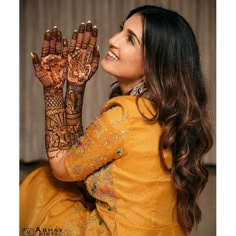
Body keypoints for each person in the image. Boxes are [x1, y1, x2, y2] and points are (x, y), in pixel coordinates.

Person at [20, 5, 213, 236]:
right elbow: (79, 160)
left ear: (154, 63)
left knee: (42, 184)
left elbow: (63, 167)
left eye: (130, 40)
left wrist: (53, 90)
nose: (113, 40)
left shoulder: (124, 117)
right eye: (122, 30)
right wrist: (75, 86)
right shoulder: (168, 114)